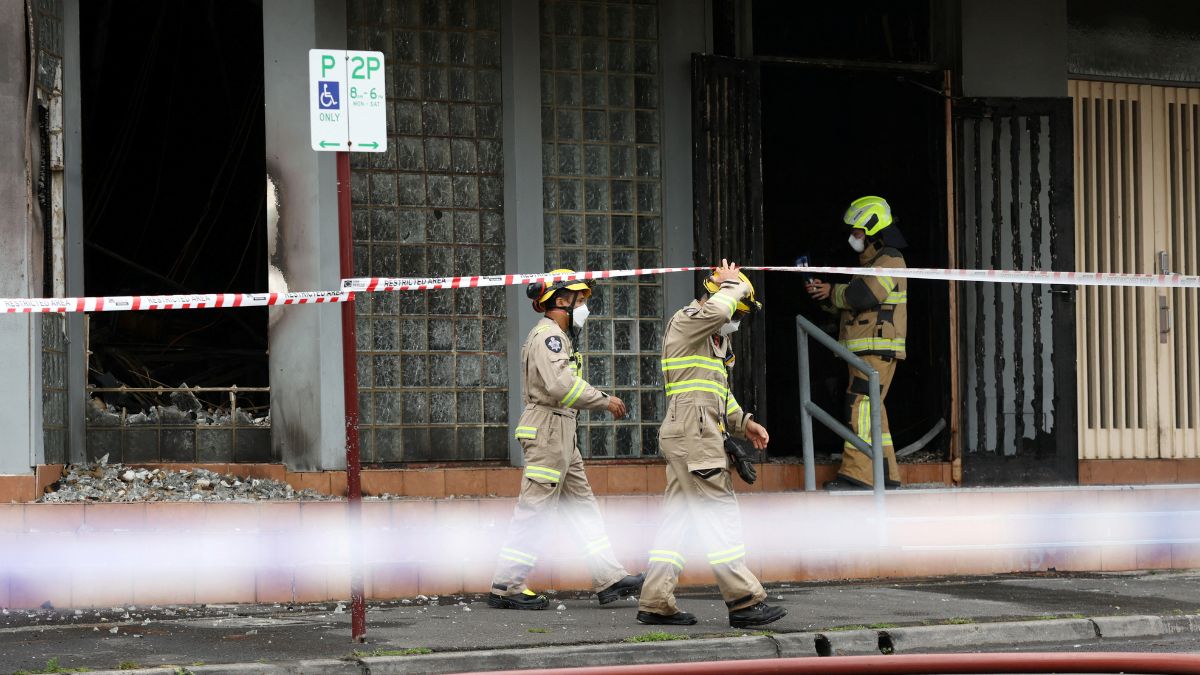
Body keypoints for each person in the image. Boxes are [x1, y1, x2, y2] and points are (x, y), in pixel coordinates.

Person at [637, 260, 787, 629]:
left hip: (695, 431)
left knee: (678, 522)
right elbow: (720, 307)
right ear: (717, 294)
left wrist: (744, 423)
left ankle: (655, 601)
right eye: (737, 309)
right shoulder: (690, 318)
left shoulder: (714, 336)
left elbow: (718, 392)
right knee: (720, 516)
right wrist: (732, 285)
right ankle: (744, 601)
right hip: (694, 433)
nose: (736, 318)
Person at [488, 269, 644, 610]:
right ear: (561, 301)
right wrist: (604, 400)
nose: (585, 306)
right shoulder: (549, 337)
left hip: (559, 431)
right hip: (548, 430)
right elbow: (561, 386)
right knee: (534, 509)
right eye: (581, 299)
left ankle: (609, 578)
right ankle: (507, 585)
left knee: (583, 507)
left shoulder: (556, 336)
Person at [805, 196, 908, 490]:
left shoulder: (891, 259)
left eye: (858, 232)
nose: (853, 238)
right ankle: (886, 474)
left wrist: (834, 290)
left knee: (859, 408)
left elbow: (863, 296)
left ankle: (859, 475)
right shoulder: (872, 263)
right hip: (866, 349)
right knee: (874, 412)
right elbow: (853, 304)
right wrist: (826, 297)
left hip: (876, 349)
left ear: (874, 230)